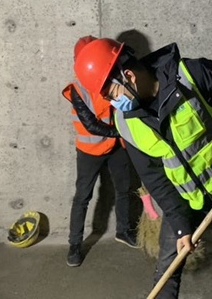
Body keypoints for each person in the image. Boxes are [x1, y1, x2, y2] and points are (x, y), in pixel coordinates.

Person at [74, 38, 212, 298]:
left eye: (112, 94)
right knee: (167, 269)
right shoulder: (126, 123)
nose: (113, 104)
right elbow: (154, 177)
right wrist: (180, 225)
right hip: (182, 198)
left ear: (128, 76)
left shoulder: (190, 76)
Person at [62, 36, 138, 268]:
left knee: (124, 189)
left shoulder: (113, 77)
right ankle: (75, 245)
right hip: (90, 151)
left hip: (115, 147)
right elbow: (91, 125)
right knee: (82, 197)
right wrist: (122, 132)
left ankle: (123, 231)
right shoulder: (77, 90)